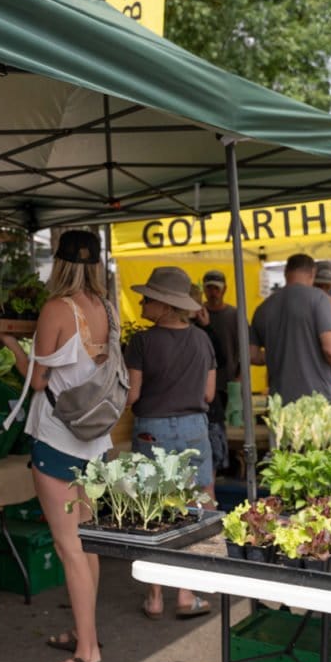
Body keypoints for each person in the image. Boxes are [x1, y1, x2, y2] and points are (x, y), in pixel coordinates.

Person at [0, 229, 110, 662]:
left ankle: (88, 657)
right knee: (87, 544)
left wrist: (10, 344)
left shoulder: (57, 308)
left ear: (58, 262)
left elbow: (37, 381)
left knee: (69, 546)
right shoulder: (105, 308)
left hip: (57, 438)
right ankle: (85, 632)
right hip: (94, 441)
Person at [125, 266, 216, 621]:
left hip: (152, 429)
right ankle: (185, 593)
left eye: (147, 298)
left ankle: (154, 597)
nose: (142, 302)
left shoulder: (141, 342)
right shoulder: (202, 340)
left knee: (153, 509)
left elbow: (132, 395)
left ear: (164, 304)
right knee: (193, 510)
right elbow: (208, 393)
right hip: (194, 427)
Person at [249, 254, 331, 404]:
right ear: (312, 273)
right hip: (316, 400)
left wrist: (281, 353)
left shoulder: (263, 308)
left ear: (286, 272)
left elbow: (252, 355)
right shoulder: (319, 299)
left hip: (279, 403)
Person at [190, 283, 228, 476]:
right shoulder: (203, 334)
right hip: (207, 412)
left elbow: (220, 360)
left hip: (206, 413)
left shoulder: (202, 334)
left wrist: (207, 327)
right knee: (206, 480)